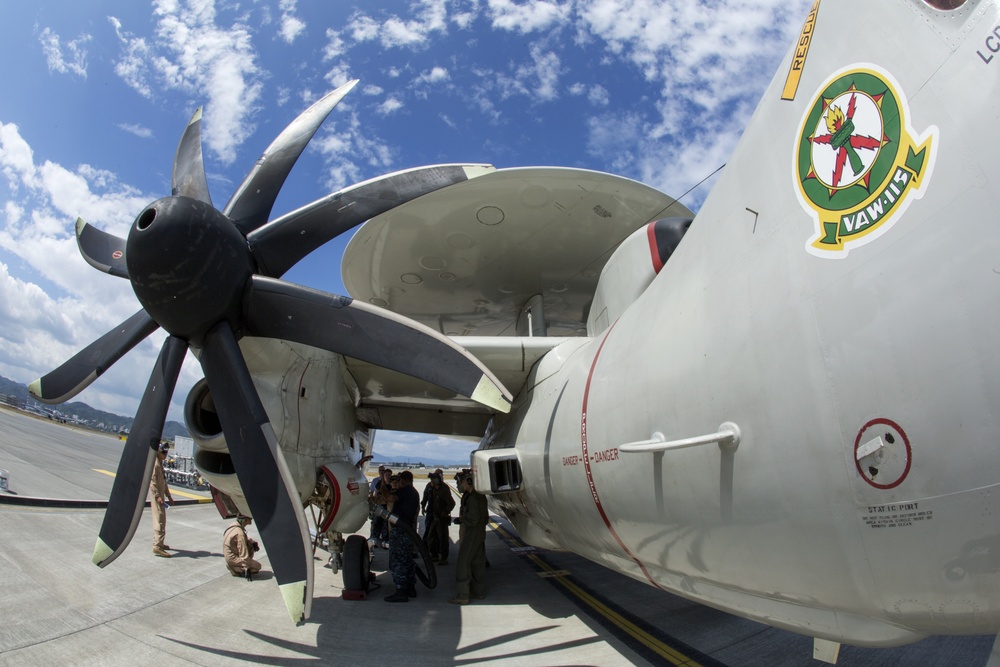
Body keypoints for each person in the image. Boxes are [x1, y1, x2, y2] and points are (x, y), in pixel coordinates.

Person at [449, 474, 488, 604]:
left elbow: (473, 519)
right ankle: (478, 591)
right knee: (477, 561)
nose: (461, 485)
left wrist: (462, 520)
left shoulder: (473, 498)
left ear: (469, 482)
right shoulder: (478, 495)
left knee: (463, 562)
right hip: (479, 531)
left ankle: (462, 595)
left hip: (473, 531)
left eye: (463, 482)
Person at [384, 470, 420, 602]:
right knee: (407, 560)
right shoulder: (413, 492)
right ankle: (410, 587)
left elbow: (390, 498)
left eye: (400, 480)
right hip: (407, 530)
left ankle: (401, 590)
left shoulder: (405, 491)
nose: (398, 482)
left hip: (400, 530)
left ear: (404, 480)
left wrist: (384, 485)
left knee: (398, 560)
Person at [150, 443, 175, 558]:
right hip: (157, 498)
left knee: (162, 519)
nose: (166, 456)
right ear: (160, 452)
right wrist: (158, 496)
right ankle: (157, 546)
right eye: (164, 453)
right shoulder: (155, 465)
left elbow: (163, 483)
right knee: (159, 519)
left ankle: (160, 542)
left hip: (161, 496)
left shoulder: (160, 464)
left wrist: (169, 496)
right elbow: (152, 483)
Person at [425, 472, 455, 564]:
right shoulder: (432, 489)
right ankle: (434, 555)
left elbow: (452, 503)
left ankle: (443, 558)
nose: (431, 482)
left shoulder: (444, 490)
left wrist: (445, 511)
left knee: (443, 539)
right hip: (434, 517)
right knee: (431, 537)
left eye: (433, 480)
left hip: (442, 519)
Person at [369, 467, 392, 548]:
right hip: (379, 505)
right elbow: (374, 493)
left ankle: (385, 541)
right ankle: (374, 540)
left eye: (389, 475)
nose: (387, 476)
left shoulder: (392, 485)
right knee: (376, 523)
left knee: (386, 525)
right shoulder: (379, 483)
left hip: (387, 506)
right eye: (386, 474)